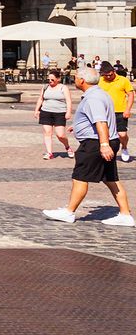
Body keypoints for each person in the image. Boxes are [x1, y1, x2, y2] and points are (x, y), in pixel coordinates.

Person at [43, 66, 134, 226]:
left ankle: (69, 212)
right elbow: (98, 118)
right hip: (105, 140)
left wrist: (104, 144)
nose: (74, 79)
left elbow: (101, 121)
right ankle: (125, 214)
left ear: (82, 80)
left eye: (76, 76)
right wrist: (79, 126)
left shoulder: (93, 98)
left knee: (80, 176)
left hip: (95, 143)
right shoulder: (101, 94)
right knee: (111, 178)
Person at [33, 68, 73, 160]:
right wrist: (36, 110)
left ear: (58, 79)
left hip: (60, 113)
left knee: (60, 135)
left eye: (52, 80)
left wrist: (68, 112)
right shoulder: (45, 87)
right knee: (47, 132)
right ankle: (49, 152)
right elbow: (41, 99)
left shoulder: (63, 88)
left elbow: (68, 100)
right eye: (49, 79)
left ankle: (67, 147)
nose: (50, 81)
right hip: (46, 112)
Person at [98, 60, 134, 163]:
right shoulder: (100, 81)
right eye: (106, 76)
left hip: (120, 111)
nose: (108, 77)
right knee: (105, 133)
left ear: (114, 71)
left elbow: (131, 94)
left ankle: (124, 147)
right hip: (104, 111)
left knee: (122, 134)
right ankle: (107, 152)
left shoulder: (123, 80)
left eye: (110, 75)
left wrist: (128, 109)